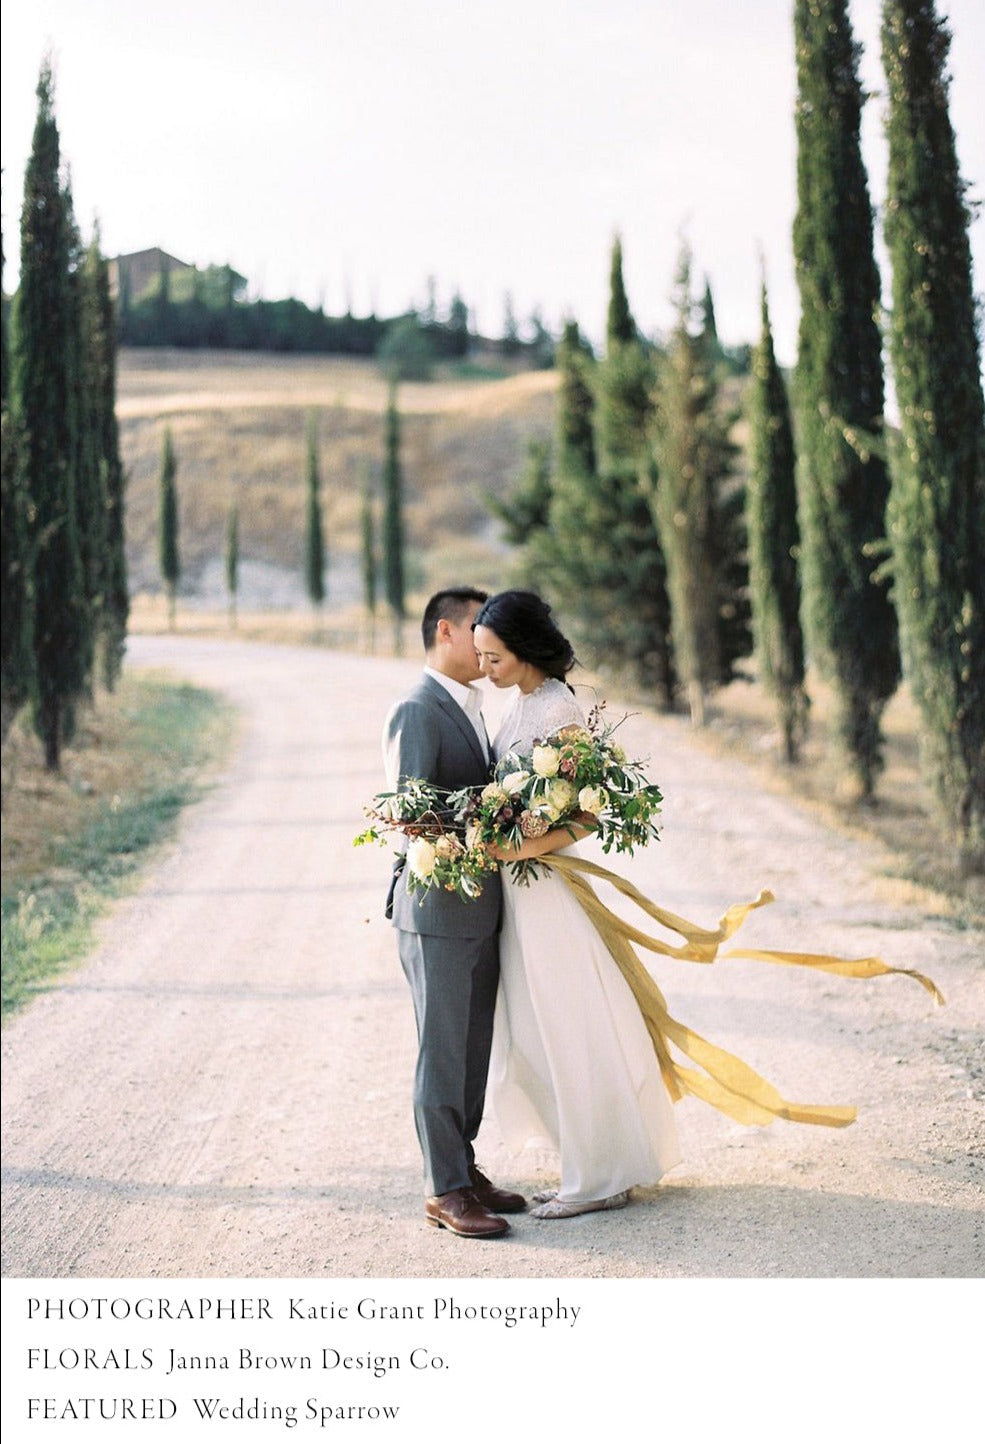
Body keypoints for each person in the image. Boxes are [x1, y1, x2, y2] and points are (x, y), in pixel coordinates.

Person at [472, 589, 681, 1219]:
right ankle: (593, 1164)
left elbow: (589, 813)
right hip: (520, 892)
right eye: (481, 657)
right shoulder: (525, 703)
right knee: (539, 1030)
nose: (486, 669)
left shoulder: (558, 709)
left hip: (545, 892)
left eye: (494, 658)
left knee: (568, 1025)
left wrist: (523, 847)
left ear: (525, 650)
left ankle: (595, 1180)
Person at [383, 587, 525, 1238]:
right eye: (480, 630)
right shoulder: (416, 709)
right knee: (441, 1052)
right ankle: (443, 1190)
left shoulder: (470, 707)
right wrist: (487, 818)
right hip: (436, 909)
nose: (490, 645)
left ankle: (464, 1170)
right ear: (447, 631)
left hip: (477, 907)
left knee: (471, 1049)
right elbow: (410, 815)